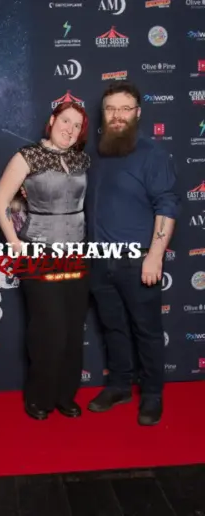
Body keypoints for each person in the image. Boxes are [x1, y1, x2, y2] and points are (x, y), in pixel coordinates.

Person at [85, 81, 180, 426]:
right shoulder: (96, 153)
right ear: (104, 113)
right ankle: (119, 386)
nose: (118, 115)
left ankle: (152, 394)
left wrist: (155, 255)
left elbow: (166, 205)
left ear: (137, 113)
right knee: (113, 327)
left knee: (147, 330)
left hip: (137, 259)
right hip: (98, 259)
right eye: (111, 109)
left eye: (125, 109)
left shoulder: (152, 154)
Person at [0, 101, 91, 420]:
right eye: (65, 121)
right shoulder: (28, 156)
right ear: (52, 120)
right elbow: (0, 201)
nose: (70, 129)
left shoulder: (81, 158)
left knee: (73, 328)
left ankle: (65, 395)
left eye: (77, 125)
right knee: (49, 328)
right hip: (40, 252)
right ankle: (39, 397)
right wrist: (14, 243)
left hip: (77, 253)